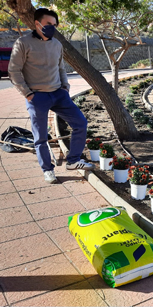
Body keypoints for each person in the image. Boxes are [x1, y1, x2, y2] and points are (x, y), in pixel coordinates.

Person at [8, 8, 94, 184]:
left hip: (58, 94)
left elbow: (61, 68)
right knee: (40, 137)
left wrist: (65, 87)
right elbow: (14, 70)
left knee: (80, 123)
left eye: (54, 25)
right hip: (37, 96)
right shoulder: (23, 43)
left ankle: (73, 161)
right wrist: (28, 94)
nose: (52, 28)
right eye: (48, 24)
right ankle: (47, 170)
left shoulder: (57, 44)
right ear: (37, 23)